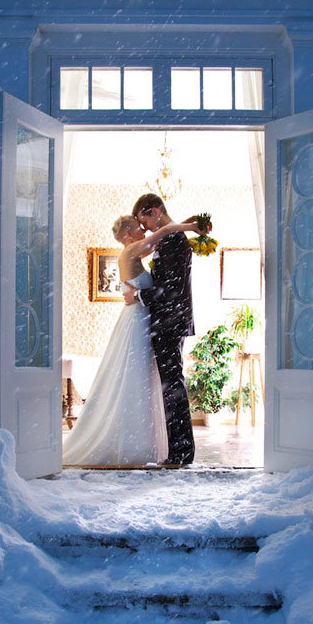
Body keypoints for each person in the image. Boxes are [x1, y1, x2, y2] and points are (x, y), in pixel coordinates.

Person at [62, 213, 204, 467]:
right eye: (139, 228)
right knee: (136, 379)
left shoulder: (133, 252)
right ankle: (129, 443)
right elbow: (162, 233)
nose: (144, 231)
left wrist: (186, 220)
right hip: (138, 320)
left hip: (140, 319)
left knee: (139, 379)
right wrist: (191, 227)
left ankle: (137, 441)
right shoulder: (130, 251)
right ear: (128, 234)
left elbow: (161, 238)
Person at [123, 193, 196, 466]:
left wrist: (139, 297)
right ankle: (179, 451)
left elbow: (171, 289)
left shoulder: (175, 241)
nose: (146, 229)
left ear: (154, 211)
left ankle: (181, 454)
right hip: (169, 321)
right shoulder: (170, 237)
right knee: (171, 386)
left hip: (170, 322)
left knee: (173, 386)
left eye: (145, 222)